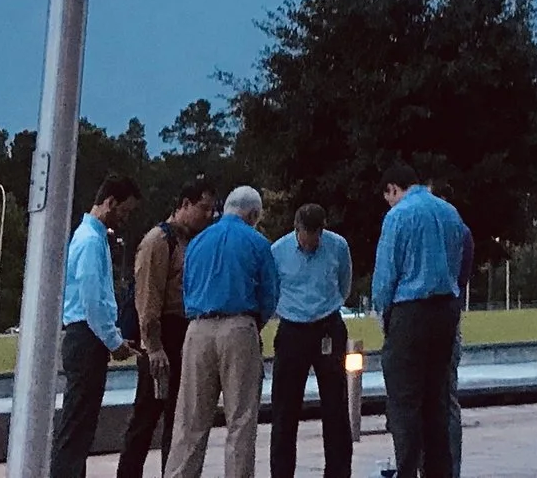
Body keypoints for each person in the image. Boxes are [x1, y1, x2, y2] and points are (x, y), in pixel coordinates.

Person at [167, 184, 279, 478]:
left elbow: (187, 287)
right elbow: (269, 295)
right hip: (239, 326)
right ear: (253, 214)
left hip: (197, 329)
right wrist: (253, 324)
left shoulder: (198, 242)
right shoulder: (257, 242)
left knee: (189, 421)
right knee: (240, 421)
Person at [373, 166, 473, 478]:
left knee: (404, 401)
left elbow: (386, 275)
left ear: (392, 189)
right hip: (444, 312)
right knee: (437, 400)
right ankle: (439, 471)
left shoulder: (398, 216)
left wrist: (385, 315)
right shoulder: (449, 213)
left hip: (410, 311)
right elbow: (459, 263)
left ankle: (407, 470)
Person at [122, 180, 220, 478]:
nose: (208, 216)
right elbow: (148, 298)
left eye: (212, 211)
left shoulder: (190, 241)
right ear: (184, 205)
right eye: (203, 208)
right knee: (146, 418)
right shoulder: (158, 241)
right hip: (162, 334)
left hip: (183, 333)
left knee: (178, 419)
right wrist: (153, 346)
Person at [56, 175, 143, 478]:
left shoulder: (88, 236)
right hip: (86, 337)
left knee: (79, 424)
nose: (125, 217)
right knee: (78, 425)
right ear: (110, 202)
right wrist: (114, 341)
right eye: (124, 211)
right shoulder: (92, 241)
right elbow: (93, 301)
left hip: (84, 336)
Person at [271, 202, 355, 478]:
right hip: (292, 327)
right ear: (297, 229)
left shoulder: (338, 246)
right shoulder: (278, 251)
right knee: (285, 407)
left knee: (335, 404)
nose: (312, 242)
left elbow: (345, 283)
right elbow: (272, 289)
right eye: (308, 236)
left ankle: (338, 470)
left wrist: (330, 306)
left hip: (326, 324)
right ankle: (282, 472)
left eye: (317, 235)